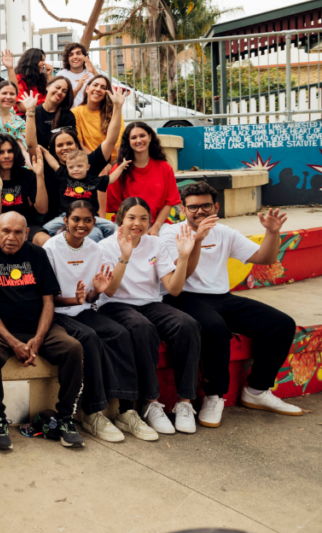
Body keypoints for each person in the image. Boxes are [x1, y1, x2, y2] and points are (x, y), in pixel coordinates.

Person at [161, 183, 303, 426]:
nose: (200, 211)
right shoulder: (170, 233)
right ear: (183, 209)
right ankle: (214, 395)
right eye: (193, 207)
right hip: (183, 297)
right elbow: (178, 278)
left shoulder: (225, 232)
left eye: (206, 205)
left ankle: (257, 390)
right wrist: (197, 240)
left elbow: (265, 258)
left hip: (221, 297)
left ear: (216, 206)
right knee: (215, 328)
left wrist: (271, 232)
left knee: (281, 324)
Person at [43, 201, 157, 443]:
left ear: (95, 223)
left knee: (120, 333)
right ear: (66, 220)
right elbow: (47, 296)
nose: (81, 225)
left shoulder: (95, 249)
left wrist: (96, 292)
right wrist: (76, 299)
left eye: (87, 220)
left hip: (84, 308)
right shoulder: (51, 248)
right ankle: (93, 413)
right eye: (76, 219)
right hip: (58, 312)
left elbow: (94, 295)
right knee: (90, 338)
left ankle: (127, 411)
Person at [0, 211, 85, 449]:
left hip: (37, 324)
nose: (11, 237)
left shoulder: (37, 254)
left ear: (26, 233)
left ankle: (65, 418)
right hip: (1, 328)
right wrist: (13, 342)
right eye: (5, 231)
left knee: (73, 348)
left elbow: (48, 301)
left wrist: (38, 337)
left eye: (17, 232)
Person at [97, 197, 201, 435]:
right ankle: (151, 402)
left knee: (187, 325)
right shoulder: (105, 247)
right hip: (115, 305)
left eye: (144, 218)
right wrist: (125, 256)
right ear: (120, 219)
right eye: (131, 217)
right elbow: (110, 290)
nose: (138, 223)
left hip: (150, 303)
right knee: (142, 328)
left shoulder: (154, 245)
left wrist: (184, 257)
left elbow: (173, 289)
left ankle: (185, 403)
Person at [34, 86, 128, 240]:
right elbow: (49, 160)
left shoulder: (89, 165)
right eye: (60, 145)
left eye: (69, 143)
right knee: (46, 234)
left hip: (90, 220)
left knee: (104, 231)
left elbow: (111, 139)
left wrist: (117, 107)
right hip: (63, 219)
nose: (65, 148)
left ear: (77, 145)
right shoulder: (58, 171)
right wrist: (43, 152)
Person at [106, 122, 181, 236]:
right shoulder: (119, 169)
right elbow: (116, 205)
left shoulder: (164, 167)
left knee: (171, 237)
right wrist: (134, 226)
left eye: (142, 135)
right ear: (128, 141)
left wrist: (155, 227)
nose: (139, 140)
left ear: (150, 136)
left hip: (158, 223)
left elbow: (169, 202)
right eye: (133, 137)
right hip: (126, 223)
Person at [0, 134, 50, 245]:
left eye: (10, 151)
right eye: (1, 152)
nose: (6, 156)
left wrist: (40, 175)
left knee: (46, 241)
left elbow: (42, 209)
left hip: (26, 225)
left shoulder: (27, 175)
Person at [72, 75, 124, 169]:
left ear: (107, 93)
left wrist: (119, 165)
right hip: (91, 160)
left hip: (114, 161)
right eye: (95, 85)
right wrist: (101, 165)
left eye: (103, 87)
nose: (98, 89)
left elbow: (119, 144)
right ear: (87, 88)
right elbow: (81, 145)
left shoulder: (114, 114)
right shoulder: (76, 113)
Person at [22, 76, 76, 158]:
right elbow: (29, 144)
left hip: (60, 161)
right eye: (57, 87)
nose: (60, 92)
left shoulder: (68, 116)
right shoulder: (34, 112)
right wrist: (30, 111)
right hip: (37, 158)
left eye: (64, 91)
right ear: (48, 87)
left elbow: (68, 146)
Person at [12, 48, 53, 116]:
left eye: (44, 60)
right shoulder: (19, 78)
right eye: (41, 60)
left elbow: (51, 96)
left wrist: (49, 75)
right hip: (26, 116)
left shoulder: (41, 77)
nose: (44, 63)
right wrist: (44, 108)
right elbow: (21, 107)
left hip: (42, 114)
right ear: (32, 61)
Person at [56, 43, 97, 108]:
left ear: (84, 56)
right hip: (68, 114)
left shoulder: (93, 74)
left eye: (78, 53)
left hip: (88, 114)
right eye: (71, 55)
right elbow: (59, 100)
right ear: (67, 59)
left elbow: (106, 90)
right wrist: (77, 88)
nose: (75, 57)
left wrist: (94, 72)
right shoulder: (61, 75)